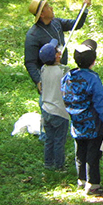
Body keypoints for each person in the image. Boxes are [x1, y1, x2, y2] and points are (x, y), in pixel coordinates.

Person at [61, 39, 103, 196]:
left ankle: (81, 180)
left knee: (80, 151)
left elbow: (65, 96)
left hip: (76, 122)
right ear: (93, 61)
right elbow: (100, 103)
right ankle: (93, 185)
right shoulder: (93, 78)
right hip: (93, 124)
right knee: (93, 154)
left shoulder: (67, 77)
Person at [24, 0, 91, 91]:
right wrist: (39, 81)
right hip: (48, 77)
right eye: (47, 7)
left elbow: (76, 24)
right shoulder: (33, 35)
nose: (51, 8)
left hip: (62, 71)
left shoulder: (56, 22)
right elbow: (30, 62)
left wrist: (84, 8)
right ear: (42, 14)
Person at [38, 39, 70, 170]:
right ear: (57, 56)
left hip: (46, 109)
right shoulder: (64, 70)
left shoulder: (43, 68)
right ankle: (59, 166)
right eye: (57, 51)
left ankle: (48, 163)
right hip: (60, 111)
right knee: (59, 141)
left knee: (49, 139)